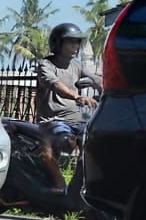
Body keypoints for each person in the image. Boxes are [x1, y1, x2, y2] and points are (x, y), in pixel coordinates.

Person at [33, 22, 99, 191]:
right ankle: (60, 184)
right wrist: (76, 96)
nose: (75, 46)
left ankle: (82, 187)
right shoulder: (46, 65)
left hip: (77, 121)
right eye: (70, 42)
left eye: (77, 42)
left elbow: (96, 79)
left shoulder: (77, 65)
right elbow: (55, 84)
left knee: (96, 144)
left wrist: (109, 87)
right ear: (57, 43)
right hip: (53, 120)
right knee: (66, 143)